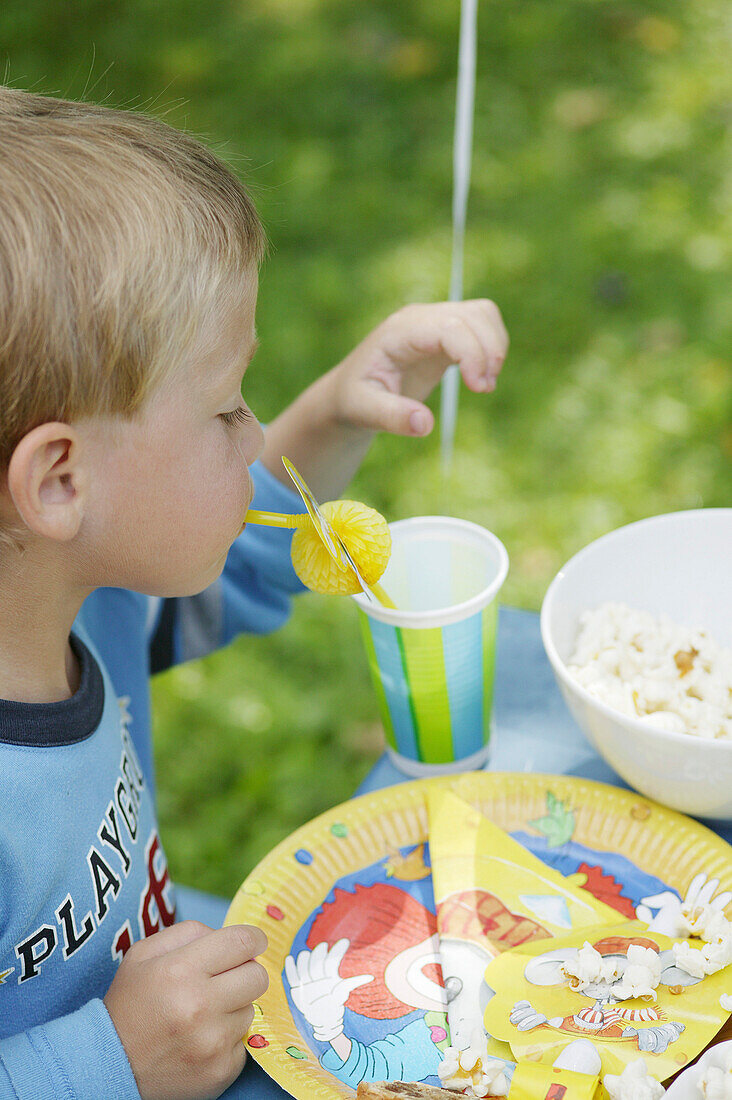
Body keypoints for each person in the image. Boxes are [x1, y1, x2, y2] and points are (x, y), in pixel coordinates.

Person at [0, 86, 508, 1100]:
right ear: (61, 480)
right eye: (227, 407)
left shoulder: (82, 592)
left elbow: (225, 551)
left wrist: (335, 412)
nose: (250, 434)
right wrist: (111, 1057)